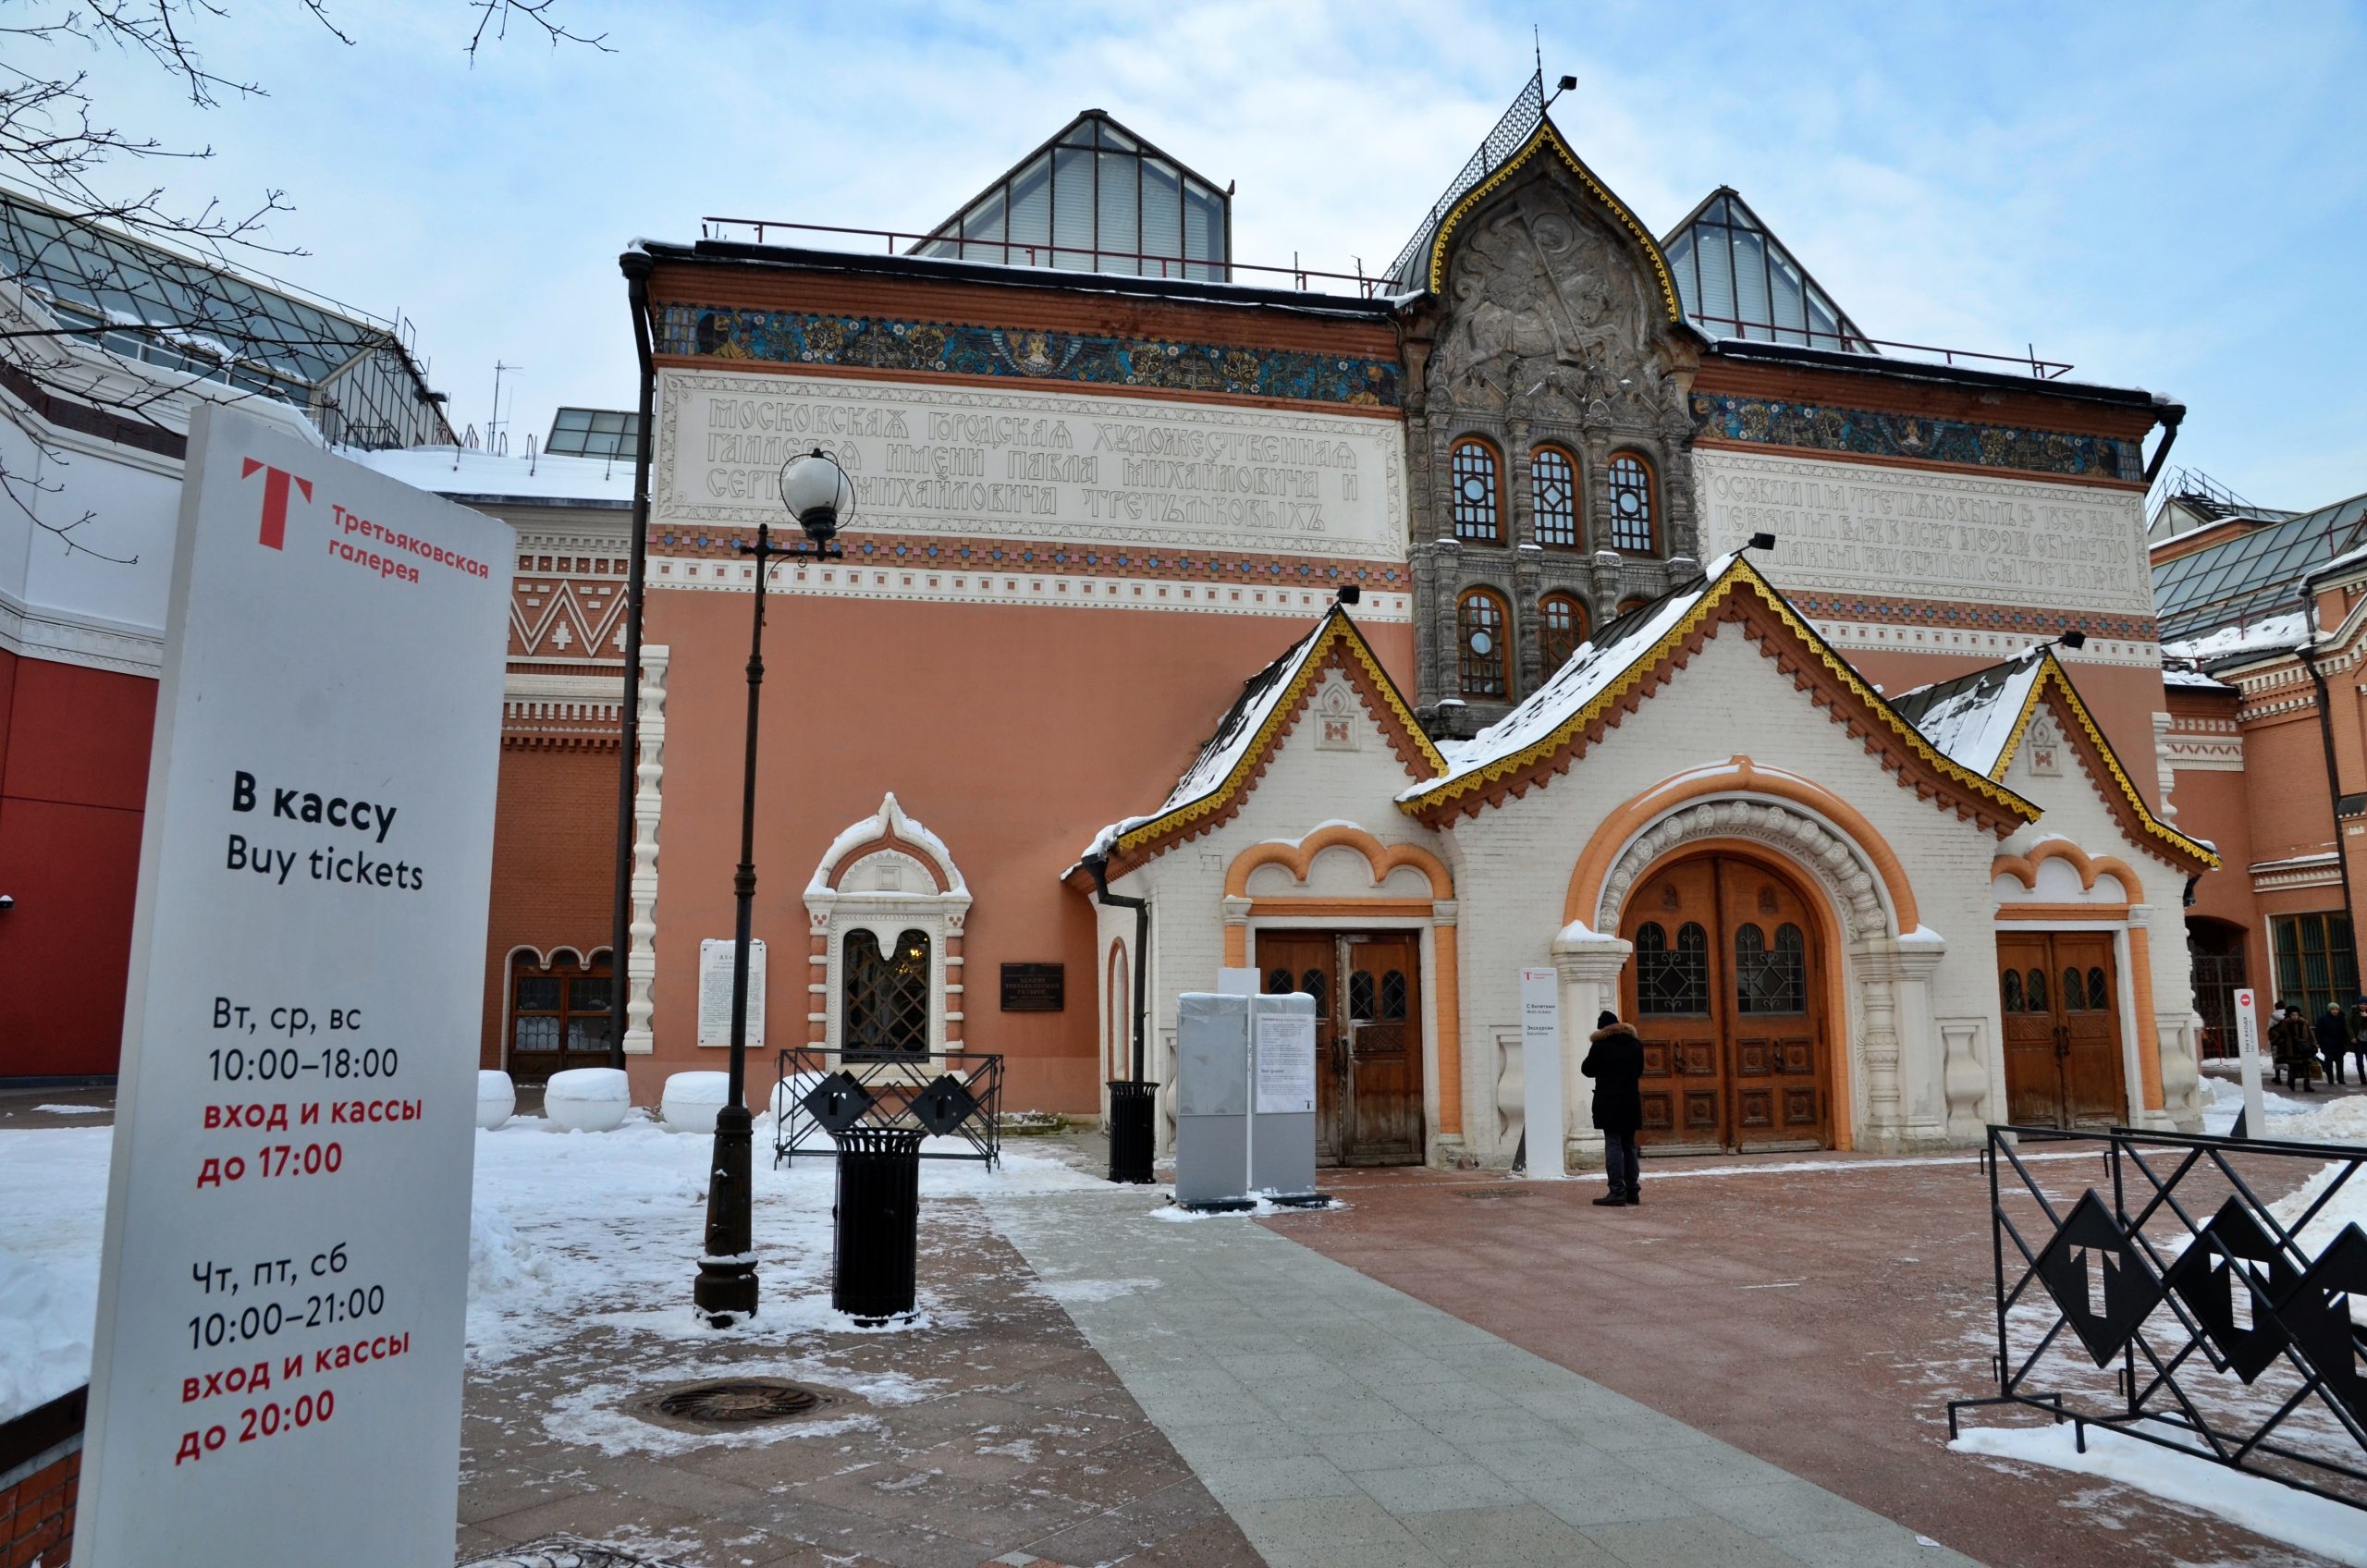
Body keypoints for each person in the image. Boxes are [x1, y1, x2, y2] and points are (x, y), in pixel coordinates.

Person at [1582, 1009, 1645, 1207]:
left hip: (1608, 1101)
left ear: (1603, 1029)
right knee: (1629, 1144)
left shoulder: (1600, 1046)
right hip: (1630, 1100)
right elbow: (1639, 1070)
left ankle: (1617, 1191)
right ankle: (1633, 1191)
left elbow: (1587, 1070)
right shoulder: (1635, 1045)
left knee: (1613, 1143)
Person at [2271, 1002, 2316, 1093]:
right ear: (2289, 1015)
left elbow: (2311, 1035)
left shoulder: (2304, 1022)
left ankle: (2307, 1086)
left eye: (2296, 1014)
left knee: (2306, 1068)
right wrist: (2282, 1042)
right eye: (2292, 1014)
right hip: (2291, 1050)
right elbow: (2273, 1033)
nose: (2295, 1016)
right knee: (2292, 1069)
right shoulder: (2284, 1023)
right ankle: (2291, 1083)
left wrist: (2313, 1045)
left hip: (2304, 1049)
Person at [2318, 1004, 2351, 1087]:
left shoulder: (2342, 1019)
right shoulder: (2323, 1019)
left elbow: (2346, 1030)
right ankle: (2330, 1079)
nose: (2335, 1011)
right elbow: (2319, 1032)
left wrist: (2345, 1042)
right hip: (2328, 1045)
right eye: (2333, 1009)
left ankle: (2341, 1079)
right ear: (2329, 1010)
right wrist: (2322, 1042)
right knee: (2329, 1062)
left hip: (2339, 1044)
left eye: (2337, 1009)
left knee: (2340, 1062)